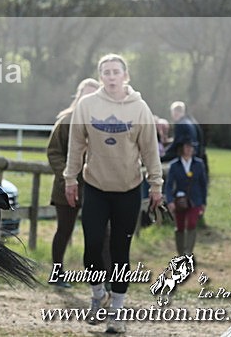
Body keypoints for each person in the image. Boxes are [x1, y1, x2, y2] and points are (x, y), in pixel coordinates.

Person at [64, 53, 163, 334]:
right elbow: (76, 144)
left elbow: (150, 150)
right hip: (95, 186)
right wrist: (69, 178)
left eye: (115, 72)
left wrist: (156, 184)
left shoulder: (139, 108)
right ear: (100, 77)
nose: (110, 76)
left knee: (120, 252)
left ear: (125, 76)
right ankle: (98, 295)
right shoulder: (87, 105)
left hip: (129, 189)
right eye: (105, 72)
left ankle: (117, 313)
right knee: (92, 246)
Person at [46, 78, 99, 288]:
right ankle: (57, 272)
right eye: (85, 95)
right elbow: (54, 152)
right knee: (64, 230)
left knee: (99, 231)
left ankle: (98, 276)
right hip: (65, 187)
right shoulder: (67, 121)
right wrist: (67, 176)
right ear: (79, 96)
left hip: (95, 188)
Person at [164, 138, 208, 257]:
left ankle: (188, 251)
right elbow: (169, 185)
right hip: (180, 200)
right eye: (187, 147)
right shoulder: (174, 165)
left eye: (191, 147)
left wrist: (204, 202)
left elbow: (203, 184)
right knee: (180, 226)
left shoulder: (198, 164)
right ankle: (180, 253)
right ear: (182, 148)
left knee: (192, 223)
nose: (189, 150)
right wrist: (170, 201)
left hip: (195, 199)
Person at [162, 101, 207, 176]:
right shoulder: (191, 121)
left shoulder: (180, 124)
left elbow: (176, 145)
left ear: (175, 112)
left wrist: (163, 154)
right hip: (196, 156)